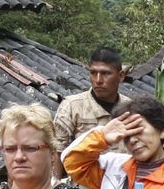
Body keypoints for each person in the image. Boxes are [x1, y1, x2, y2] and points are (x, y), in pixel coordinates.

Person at [53, 48, 131, 181]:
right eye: (93, 73)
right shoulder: (72, 106)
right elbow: (56, 153)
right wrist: (54, 188)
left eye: (106, 73)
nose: (98, 80)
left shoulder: (131, 108)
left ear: (121, 76)